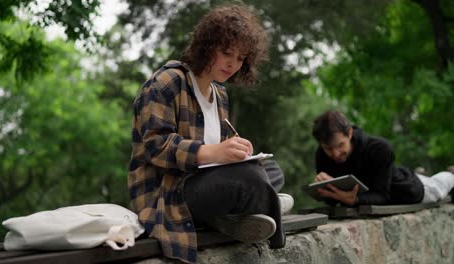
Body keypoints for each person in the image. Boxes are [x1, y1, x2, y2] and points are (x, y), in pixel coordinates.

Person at [128, 4, 293, 263]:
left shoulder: (220, 95)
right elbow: (155, 146)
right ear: (206, 45)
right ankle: (267, 207)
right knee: (251, 179)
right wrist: (213, 152)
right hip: (168, 195)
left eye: (241, 58)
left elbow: (215, 158)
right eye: (227, 52)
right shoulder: (167, 82)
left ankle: (231, 218)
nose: (233, 63)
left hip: (203, 187)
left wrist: (234, 152)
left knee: (270, 169)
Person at [311, 110, 454, 206]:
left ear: (349, 133)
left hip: (407, 190)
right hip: (387, 181)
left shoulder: (379, 148)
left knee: (439, 187)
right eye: (328, 148)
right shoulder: (321, 154)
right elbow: (332, 200)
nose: (335, 154)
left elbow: (382, 196)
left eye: (340, 145)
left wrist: (356, 199)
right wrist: (322, 190)